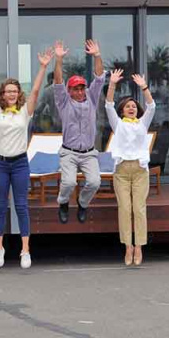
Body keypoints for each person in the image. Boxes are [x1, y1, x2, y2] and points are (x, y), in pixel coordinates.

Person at [0, 44, 53, 269]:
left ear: (18, 94)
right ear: (3, 95)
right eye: (8, 91)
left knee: (22, 206)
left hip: (20, 164)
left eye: (15, 91)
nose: (12, 94)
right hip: (0, 163)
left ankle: (25, 250)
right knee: (0, 207)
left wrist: (43, 68)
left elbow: (36, 92)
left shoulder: (25, 112)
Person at [51, 39, 107, 224]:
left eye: (82, 87)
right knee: (68, 183)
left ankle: (82, 204)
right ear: (70, 91)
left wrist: (97, 55)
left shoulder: (91, 98)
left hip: (89, 153)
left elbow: (99, 78)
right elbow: (58, 82)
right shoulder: (64, 101)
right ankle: (63, 203)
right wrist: (59, 60)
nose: (81, 91)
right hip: (69, 152)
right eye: (76, 88)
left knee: (94, 182)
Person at [104, 69, 155, 265]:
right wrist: (112, 84)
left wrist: (144, 87)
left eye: (134, 106)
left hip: (140, 171)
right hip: (122, 171)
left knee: (139, 209)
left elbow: (151, 106)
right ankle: (128, 247)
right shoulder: (118, 125)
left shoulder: (142, 124)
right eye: (128, 106)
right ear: (123, 110)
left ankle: (139, 247)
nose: (131, 108)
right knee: (125, 209)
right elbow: (108, 105)